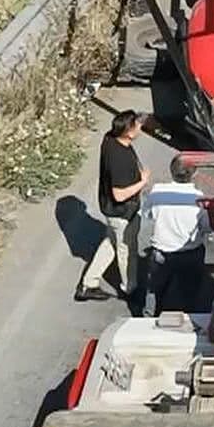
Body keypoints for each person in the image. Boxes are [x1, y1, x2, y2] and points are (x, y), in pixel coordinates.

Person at [77, 111, 150, 302]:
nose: (140, 127)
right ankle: (129, 288)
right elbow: (119, 194)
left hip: (110, 209)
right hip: (123, 213)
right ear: (129, 132)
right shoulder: (121, 160)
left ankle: (89, 283)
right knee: (127, 249)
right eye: (137, 125)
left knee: (110, 243)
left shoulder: (109, 139)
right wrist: (143, 182)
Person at [140, 158, 210, 316]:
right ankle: (190, 320)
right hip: (190, 253)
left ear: (172, 172)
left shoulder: (157, 192)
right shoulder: (198, 198)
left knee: (155, 290)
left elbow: (147, 214)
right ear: (193, 174)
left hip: (161, 252)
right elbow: (206, 227)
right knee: (190, 291)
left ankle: (149, 318)